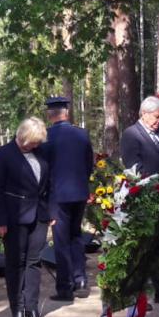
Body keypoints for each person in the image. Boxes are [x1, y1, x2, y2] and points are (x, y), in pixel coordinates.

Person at [120, 96, 159, 305]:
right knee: (143, 249)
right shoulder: (131, 135)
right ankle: (138, 295)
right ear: (144, 114)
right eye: (157, 117)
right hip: (144, 200)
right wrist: (152, 187)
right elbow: (134, 167)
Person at [0, 118, 52, 317]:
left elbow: (48, 184)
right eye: (33, 142)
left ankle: (32, 307)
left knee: (34, 262)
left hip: (39, 215)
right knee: (16, 262)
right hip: (14, 217)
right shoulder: (2, 155)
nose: (36, 145)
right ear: (23, 136)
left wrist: (50, 211)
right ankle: (17, 308)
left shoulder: (42, 153)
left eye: (38, 142)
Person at [41, 96, 94, 302]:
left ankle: (65, 287)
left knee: (61, 241)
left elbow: (43, 169)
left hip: (57, 195)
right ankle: (80, 279)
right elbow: (89, 163)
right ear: (67, 113)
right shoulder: (81, 134)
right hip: (79, 192)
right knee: (76, 236)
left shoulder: (46, 137)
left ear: (49, 115)